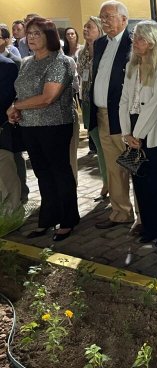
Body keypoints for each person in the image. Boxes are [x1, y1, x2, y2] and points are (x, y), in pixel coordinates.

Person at [7, 17, 79, 241]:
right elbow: (22, 92)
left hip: (55, 125)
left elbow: (48, 97)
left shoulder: (60, 61)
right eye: (29, 33)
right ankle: (47, 218)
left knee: (60, 172)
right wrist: (17, 109)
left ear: (49, 36)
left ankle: (68, 219)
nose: (31, 37)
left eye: (37, 33)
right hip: (29, 126)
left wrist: (16, 106)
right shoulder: (27, 62)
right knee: (42, 173)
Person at [119, 21, 157, 247]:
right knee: (140, 182)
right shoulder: (131, 66)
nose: (136, 42)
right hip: (133, 128)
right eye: (135, 37)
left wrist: (138, 134)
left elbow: (156, 103)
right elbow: (124, 100)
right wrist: (126, 132)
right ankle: (149, 226)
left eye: (141, 38)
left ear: (152, 42)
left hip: (153, 131)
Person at [90, 0, 136, 230]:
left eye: (109, 16)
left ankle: (146, 215)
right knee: (113, 167)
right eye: (102, 17)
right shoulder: (100, 44)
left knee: (135, 165)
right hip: (102, 114)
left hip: (124, 116)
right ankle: (121, 212)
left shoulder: (134, 42)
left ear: (124, 19)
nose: (104, 21)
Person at [77, 16, 108, 201]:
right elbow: (81, 76)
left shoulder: (105, 51)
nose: (85, 30)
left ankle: (111, 183)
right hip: (87, 102)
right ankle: (106, 181)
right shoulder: (81, 53)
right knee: (98, 145)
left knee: (107, 146)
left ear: (99, 30)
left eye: (90, 27)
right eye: (84, 27)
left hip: (102, 103)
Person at [0, 46, 21, 218]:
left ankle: (12, 213)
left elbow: (6, 98)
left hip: (2, 127)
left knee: (6, 173)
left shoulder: (7, 65)